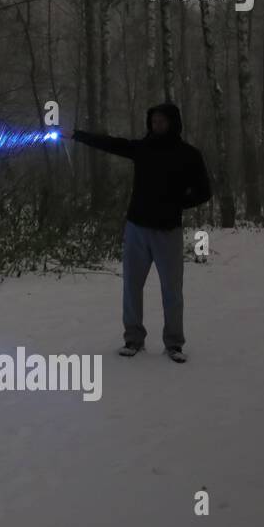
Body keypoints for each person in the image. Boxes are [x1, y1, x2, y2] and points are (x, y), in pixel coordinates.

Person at [69, 102, 212, 363]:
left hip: (168, 232)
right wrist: (77, 134)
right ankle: (133, 339)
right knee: (131, 286)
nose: (157, 125)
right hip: (136, 228)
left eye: (162, 121)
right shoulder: (143, 148)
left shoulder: (188, 154)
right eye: (154, 121)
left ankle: (174, 344)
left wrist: (178, 203)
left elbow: (204, 191)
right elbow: (111, 144)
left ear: (173, 123)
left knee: (172, 290)